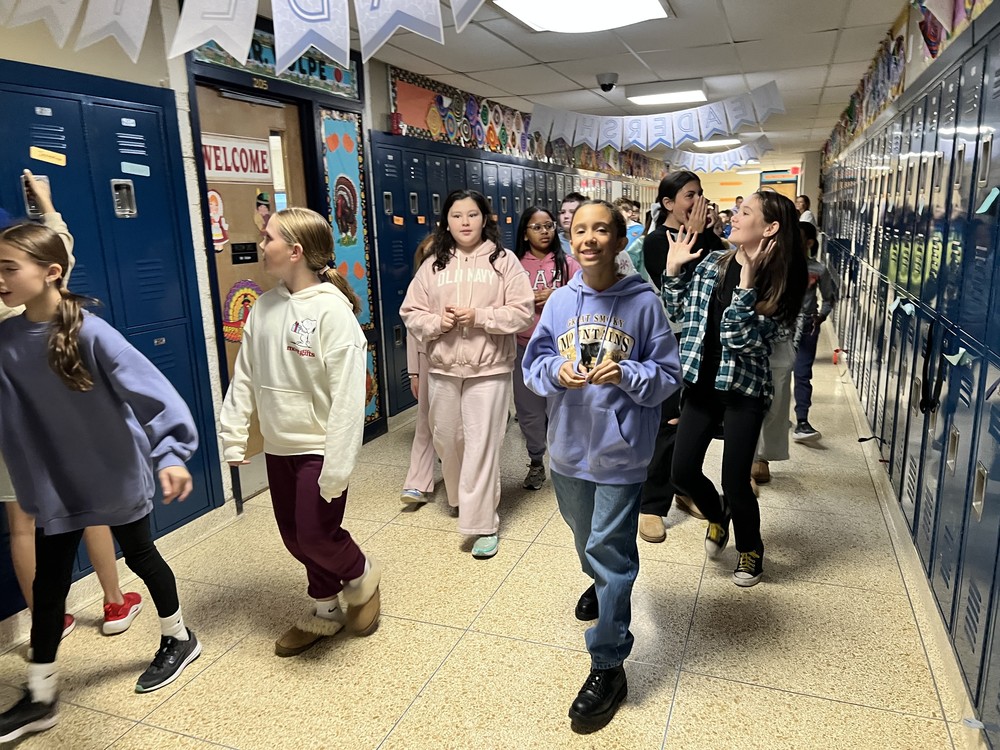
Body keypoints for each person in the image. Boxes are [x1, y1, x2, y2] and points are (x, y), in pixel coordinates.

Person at [0, 221, 203, 743]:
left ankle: (178, 637)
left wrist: (172, 454)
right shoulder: (4, 338)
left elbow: (154, 394)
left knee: (140, 555)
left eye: (8, 268)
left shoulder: (89, 331)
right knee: (50, 584)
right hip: (57, 481)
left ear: (50, 273)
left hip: (113, 471)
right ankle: (41, 694)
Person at [523, 199, 681, 733]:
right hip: (567, 449)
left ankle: (608, 665)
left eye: (601, 230)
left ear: (619, 241)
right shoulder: (560, 303)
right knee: (584, 539)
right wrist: (556, 372)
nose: (588, 237)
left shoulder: (644, 305)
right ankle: (600, 581)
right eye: (580, 228)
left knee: (611, 553)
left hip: (620, 454)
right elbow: (533, 366)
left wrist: (627, 375)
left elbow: (667, 377)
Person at [219, 207, 382, 657]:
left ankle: (362, 573)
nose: (261, 243)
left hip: (318, 447)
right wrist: (234, 435)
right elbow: (246, 376)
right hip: (279, 445)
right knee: (294, 536)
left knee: (315, 534)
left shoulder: (332, 313)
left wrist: (338, 466)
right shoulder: (266, 306)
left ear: (294, 251)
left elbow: (349, 400)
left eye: (267, 237)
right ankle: (325, 610)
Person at [0, 172, 142, 641]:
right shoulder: (24, 281)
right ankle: (116, 602)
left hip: (9, 423)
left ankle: (50, 620)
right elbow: (60, 252)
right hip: (54, 419)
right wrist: (45, 202)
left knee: (23, 525)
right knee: (86, 507)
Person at [665, 191, 807, 587]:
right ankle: (717, 515)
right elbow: (678, 314)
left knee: (735, 480)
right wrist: (674, 271)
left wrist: (746, 282)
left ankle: (750, 549)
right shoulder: (712, 263)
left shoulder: (780, 283)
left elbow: (739, 338)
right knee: (683, 472)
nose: (733, 217)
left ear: (770, 228)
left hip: (743, 391)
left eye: (745, 212)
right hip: (700, 385)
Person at [400, 190, 534, 559]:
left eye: (472, 215)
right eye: (457, 216)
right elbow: (410, 311)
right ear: (446, 222)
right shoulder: (434, 265)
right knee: (446, 437)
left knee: (481, 444)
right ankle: (462, 496)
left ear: (485, 219)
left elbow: (522, 311)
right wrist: (435, 322)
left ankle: (482, 524)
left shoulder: (503, 261)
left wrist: (481, 318)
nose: (464, 222)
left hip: (489, 368)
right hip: (443, 367)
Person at [636, 171, 728, 542]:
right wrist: (700, 233)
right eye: (690, 195)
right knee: (667, 422)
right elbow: (681, 294)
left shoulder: (712, 238)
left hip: (703, 344)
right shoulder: (658, 241)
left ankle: (684, 488)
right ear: (669, 204)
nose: (698, 202)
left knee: (692, 424)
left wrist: (708, 233)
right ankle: (651, 504)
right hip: (670, 343)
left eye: (701, 194)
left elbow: (723, 280)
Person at [512, 206, 580, 490]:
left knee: (562, 408)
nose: (544, 232)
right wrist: (527, 299)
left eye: (549, 226)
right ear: (525, 233)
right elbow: (501, 301)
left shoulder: (568, 264)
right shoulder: (513, 265)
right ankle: (536, 461)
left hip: (561, 350)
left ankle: (566, 465)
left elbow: (585, 297)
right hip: (523, 348)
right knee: (529, 411)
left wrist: (558, 294)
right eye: (536, 227)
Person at [400, 235, 439, 504]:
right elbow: (412, 334)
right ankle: (417, 482)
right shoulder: (418, 286)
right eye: (427, 256)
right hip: (427, 361)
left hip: (460, 363)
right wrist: (413, 372)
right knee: (424, 422)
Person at [792, 221, 838, 442]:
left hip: (807, 326)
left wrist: (820, 317)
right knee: (777, 375)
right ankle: (776, 416)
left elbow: (829, 298)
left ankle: (802, 421)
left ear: (809, 242)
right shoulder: (780, 265)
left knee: (802, 374)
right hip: (781, 326)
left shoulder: (818, 269)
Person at [557, 192, 589, 256]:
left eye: (572, 212)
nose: (566, 216)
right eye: (563, 212)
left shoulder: (589, 240)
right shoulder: (554, 242)